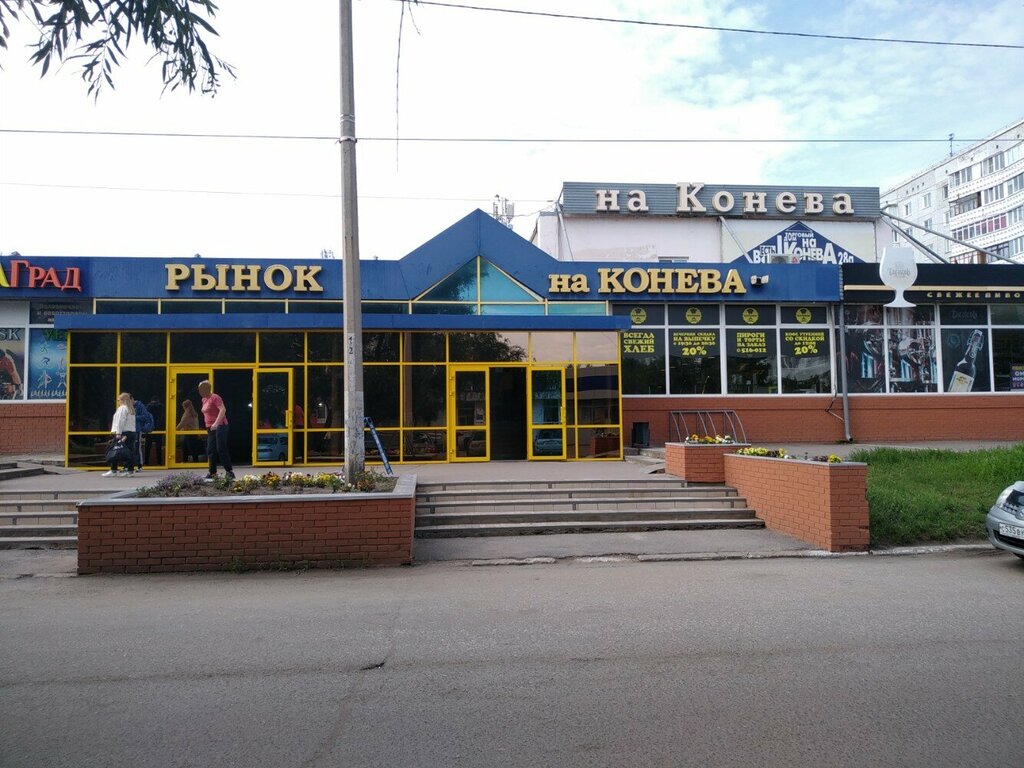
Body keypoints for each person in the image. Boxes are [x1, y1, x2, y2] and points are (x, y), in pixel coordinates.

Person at [198, 379, 234, 481]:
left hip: (220, 426)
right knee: (210, 450)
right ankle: (212, 473)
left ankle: (229, 472)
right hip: (210, 428)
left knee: (221, 448)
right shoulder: (204, 399)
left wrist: (216, 423)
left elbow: (223, 409)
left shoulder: (215, 397)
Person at [102, 392, 136, 476]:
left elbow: (120, 421)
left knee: (115, 450)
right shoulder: (131, 408)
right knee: (128, 452)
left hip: (123, 433)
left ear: (123, 400)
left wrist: (118, 433)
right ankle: (129, 471)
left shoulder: (122, 408)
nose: (118, 402)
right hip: (131, 433)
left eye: (118, 400)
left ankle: (113, 470)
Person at [132, 396, 154, 470]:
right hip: (128, 429)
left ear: (132, 399)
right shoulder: (125, 406)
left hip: (137, 429)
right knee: (129, 447)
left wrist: (133, 417)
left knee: (137, 447)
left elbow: (145, 416)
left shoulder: (140, 406)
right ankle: (128, 466)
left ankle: (139, 465)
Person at [145, 395, 165, 465]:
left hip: (150, 428)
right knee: (158, 446)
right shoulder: (161, 407)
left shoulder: (148, 407)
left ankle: (146, 462)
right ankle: (159, 462)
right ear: (158, 400)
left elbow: (146, 417)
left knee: (147, 446)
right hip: (159, 428)